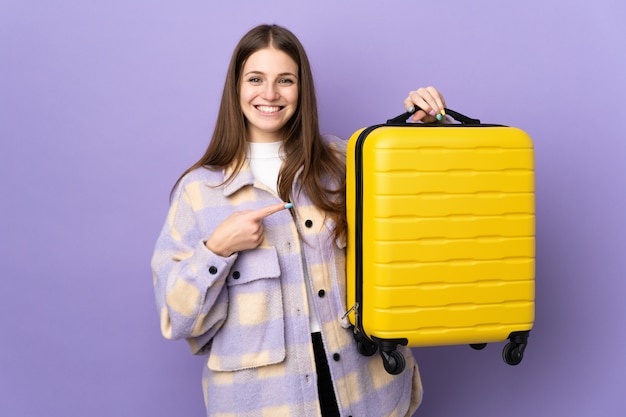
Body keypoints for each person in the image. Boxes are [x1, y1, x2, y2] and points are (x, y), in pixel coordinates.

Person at [151, 23, 447, 417]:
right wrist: (216, 250)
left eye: (285, 80)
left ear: (301, 89)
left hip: (364, 389)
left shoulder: (347, 163)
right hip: (265, 402)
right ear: (236, 87)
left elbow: (419, 223)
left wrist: (420, 135)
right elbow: (177, 319)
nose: (269, 94)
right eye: (256, 79)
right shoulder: (198, 191)